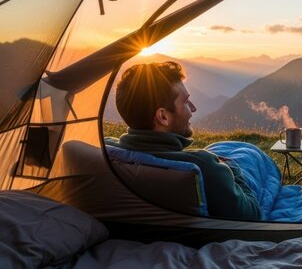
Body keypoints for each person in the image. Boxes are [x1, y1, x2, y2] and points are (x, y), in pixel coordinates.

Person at [105, 61, 261, 220]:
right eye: (186, 101)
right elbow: (252, 215)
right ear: (163, 117)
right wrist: (231, 168)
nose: (193, 108)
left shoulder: (106, 151)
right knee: (251, 154)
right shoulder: (205, 167)